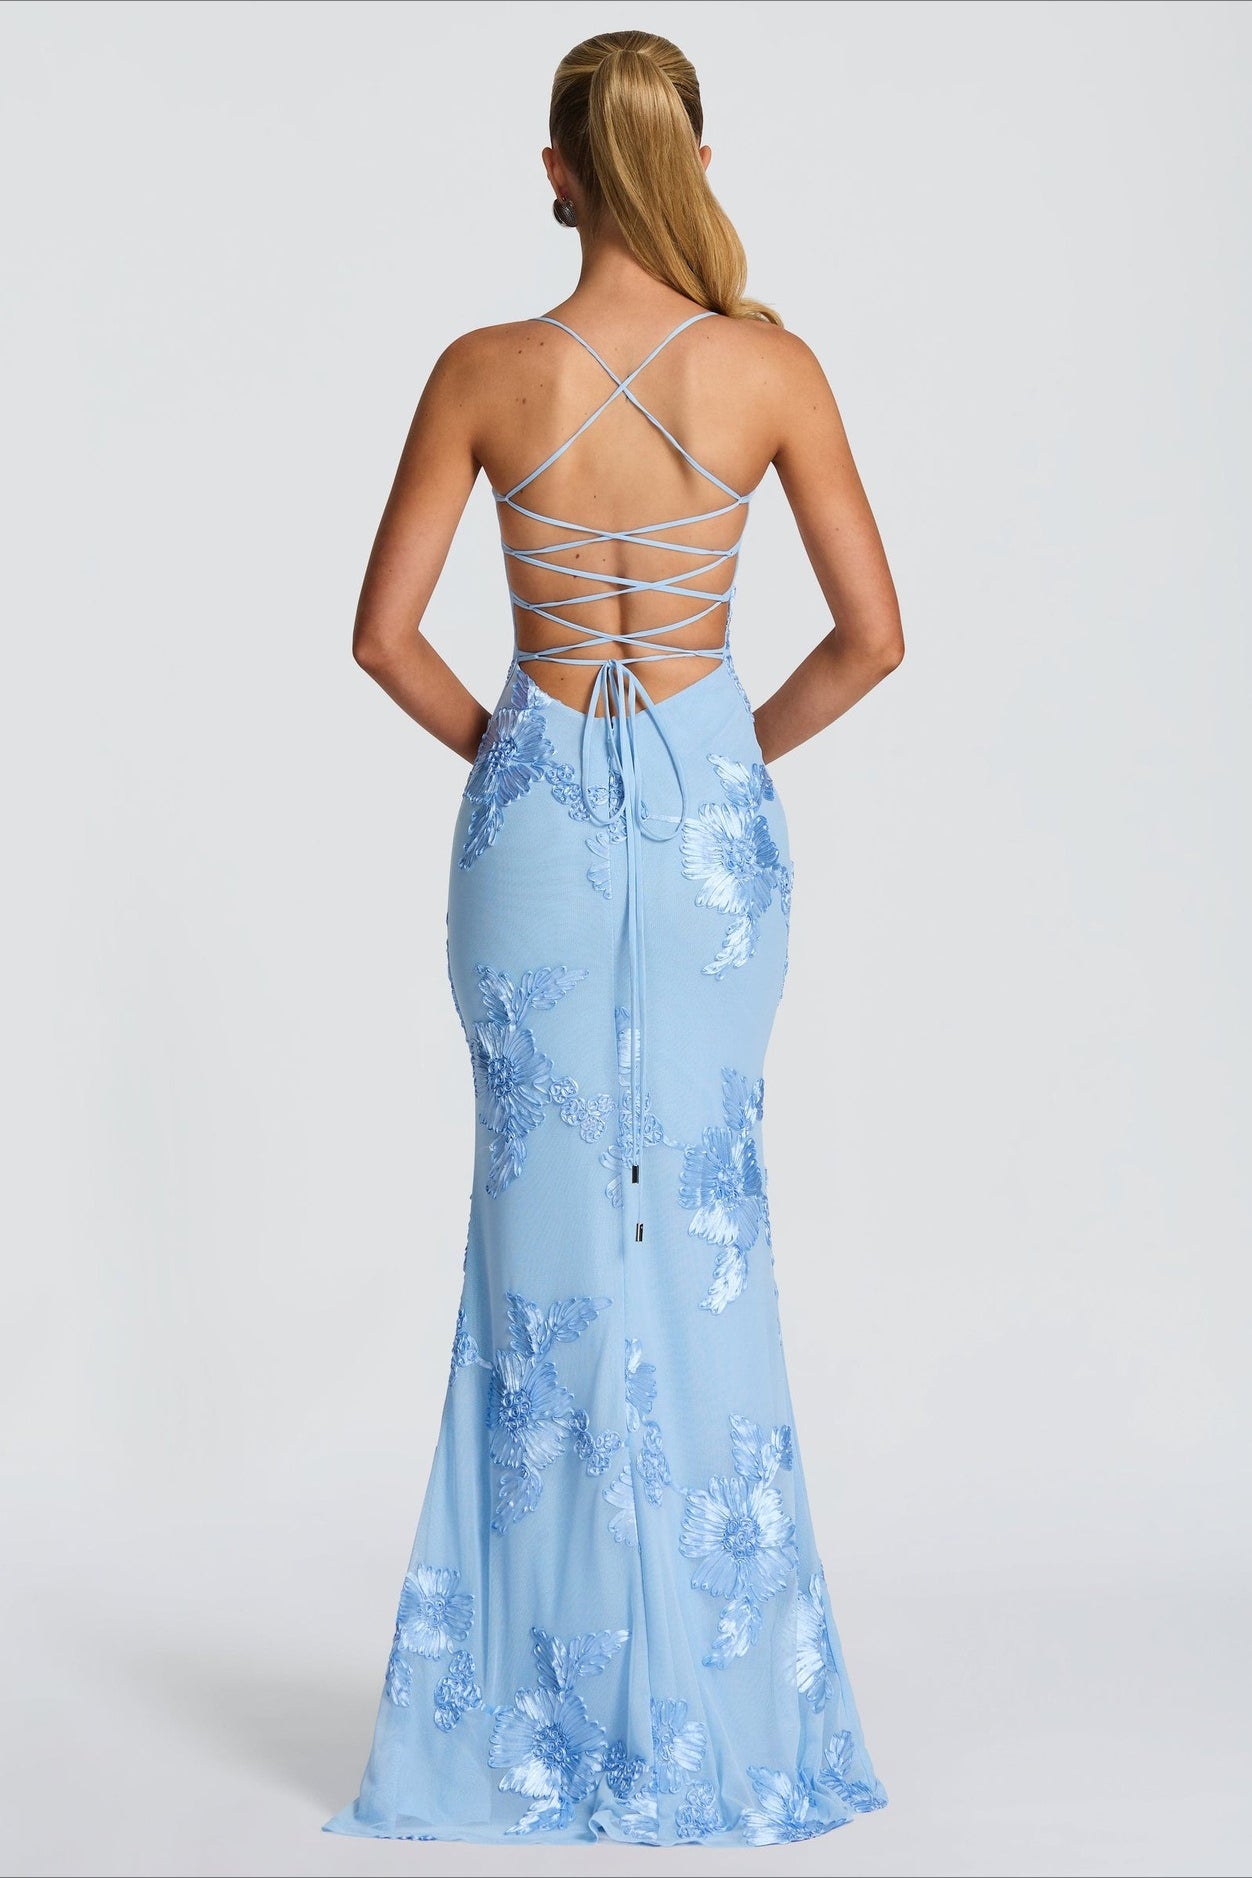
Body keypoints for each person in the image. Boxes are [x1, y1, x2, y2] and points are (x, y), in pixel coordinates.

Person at [324, 26, 903, 1850]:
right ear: (696, 164)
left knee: (541, 1246)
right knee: (709, 1235)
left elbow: (384, 636)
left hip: (538, 832)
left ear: (559, 172)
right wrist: (719, 755)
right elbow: (874, 637)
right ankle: (728, 1698)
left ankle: (527, 1713)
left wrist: (521, 754)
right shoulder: (771, 371)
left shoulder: (485, 371)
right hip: (710, 834)